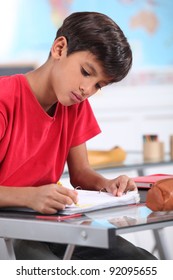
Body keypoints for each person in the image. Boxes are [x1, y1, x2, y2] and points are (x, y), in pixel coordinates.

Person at [0, 11, 156, 260]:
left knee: (141, 260)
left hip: (53, 224)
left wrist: (107, 185)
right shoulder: (4, 99)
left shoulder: (75, 105)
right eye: (86, 72)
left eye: (99, 85)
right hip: (10, 229)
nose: (87, 90)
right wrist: (30, 196)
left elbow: (81, 174)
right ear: (60, 48)